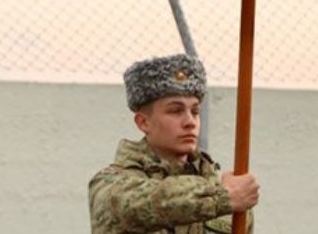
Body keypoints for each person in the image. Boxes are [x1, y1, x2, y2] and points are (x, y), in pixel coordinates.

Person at [88, 54, 259, 233]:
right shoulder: (109, 185)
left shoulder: (231, 194)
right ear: (143, 122)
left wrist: (227, 196)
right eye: (176, 111)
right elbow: (143, 203)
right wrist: (222, 197)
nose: (190, 122)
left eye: (195, 111)